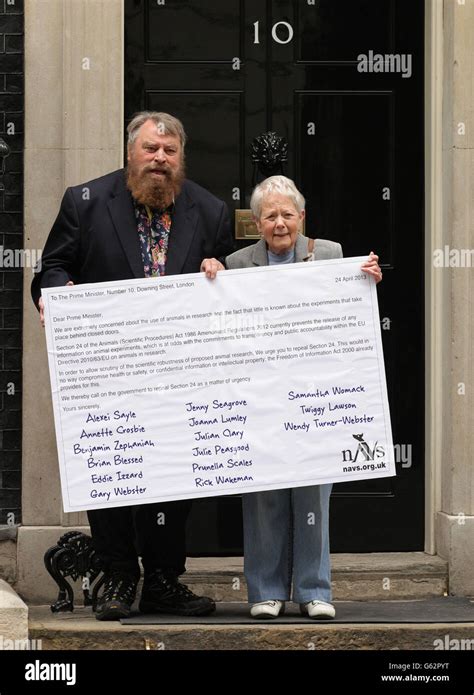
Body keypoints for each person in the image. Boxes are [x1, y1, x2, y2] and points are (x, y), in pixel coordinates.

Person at [32, 111, 234, 620]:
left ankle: (165, 581)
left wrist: (220, 269)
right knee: (115, 471)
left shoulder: (209, 211)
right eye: (150, 150)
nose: (159, 160)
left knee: (174, 476)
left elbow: (235, 283)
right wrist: (59, 294)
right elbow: (51, 268)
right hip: (109, 374)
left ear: (180, 158)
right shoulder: (86, 203)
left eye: (169, 152)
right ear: (130, 154)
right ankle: (118, 578)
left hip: (182, 374)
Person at [225, 175, 382, 620]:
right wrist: (209, 277)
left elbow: (353, 311)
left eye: (287, 215)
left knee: (314, 491)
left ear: (302, 218)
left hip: (316, 396)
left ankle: (314, 589)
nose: (279, 224)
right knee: (263, 495)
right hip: (260, 396)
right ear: (256, 221)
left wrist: (368, 280)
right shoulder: (237, 263)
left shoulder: (330, 254)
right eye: (270, 216)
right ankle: (266, 591)